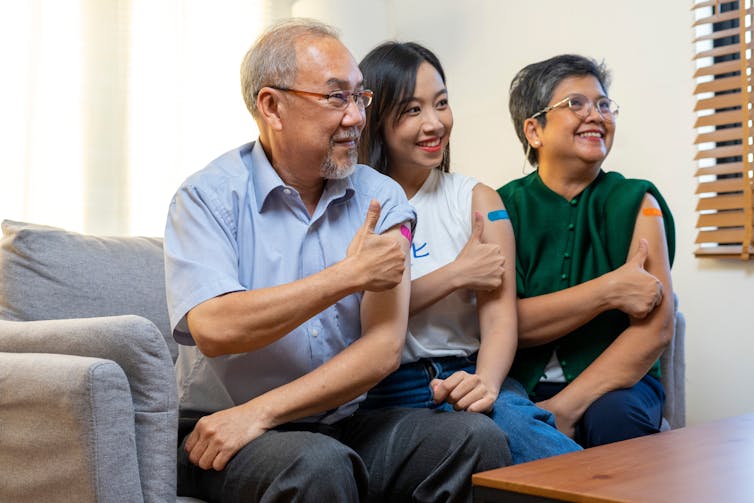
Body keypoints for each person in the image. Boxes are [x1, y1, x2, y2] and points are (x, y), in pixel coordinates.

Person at [163, 19, 510, 503]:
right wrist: (346, 277)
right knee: (317, 465)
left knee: (476, 440)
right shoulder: (206, 198)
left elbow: (384, 347)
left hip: (342, 422)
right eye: (335, 98)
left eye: (359, 98)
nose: (356, 118)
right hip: (221, 430)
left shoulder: (382, 198)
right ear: (272, 106)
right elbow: (215, 328)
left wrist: (263, 411)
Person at [357, 41, 581, 464]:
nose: (435, 123)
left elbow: (500, 318)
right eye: (412, 110)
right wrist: (457, 274)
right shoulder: (359, 205)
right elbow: (358, 314)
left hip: (468, 370)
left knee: (532, 440)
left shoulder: (480, 201)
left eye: (441, 104)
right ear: (377, 120)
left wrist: (487, 384)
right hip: (386, 388)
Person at [498, 54, 675, 448]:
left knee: (614, 417)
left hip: (620, 386)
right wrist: (610, 289)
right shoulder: (501, 207)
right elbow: (504, 324)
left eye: (603, 104)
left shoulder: (638, 201)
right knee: (490, 422)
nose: (596, 115)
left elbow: (658, 327)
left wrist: (565, 406)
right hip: (520, 383)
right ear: (534, 130)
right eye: (575, 103)